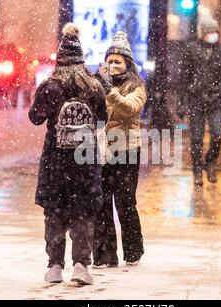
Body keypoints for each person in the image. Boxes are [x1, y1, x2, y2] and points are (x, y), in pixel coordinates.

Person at [29, 23, 107, 285]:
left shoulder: (51, 85)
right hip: (84, 158)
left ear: (60, 57)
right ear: (81, 56)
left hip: (56, 159)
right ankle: (81, 266)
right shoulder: (93, 86)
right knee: (83, 211)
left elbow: (35, 118)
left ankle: (54, 266)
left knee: (55, 210)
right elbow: (102, 119)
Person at [93, 31, 146, 268]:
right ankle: (105, 255)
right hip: (103, 151)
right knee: (101, 203)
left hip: (127, 150)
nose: (113, 65)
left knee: (125, 202)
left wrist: (110, 92)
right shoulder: (97, 84)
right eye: (110, 60)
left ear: (127, 64)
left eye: (118, 61)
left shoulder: (137, 87)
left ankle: (133, 252)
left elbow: (130, 109)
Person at [179, 16, 221, 187]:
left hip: (216, 100)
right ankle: (197, 170)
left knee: (217, 134)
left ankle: (210, 162)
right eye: (210, 32)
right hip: (195, 99)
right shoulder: (191, 49)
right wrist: (182, 102)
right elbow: (184, 77)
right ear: (203, 33)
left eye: (215, 32)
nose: (213, 35)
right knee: (196, 138)